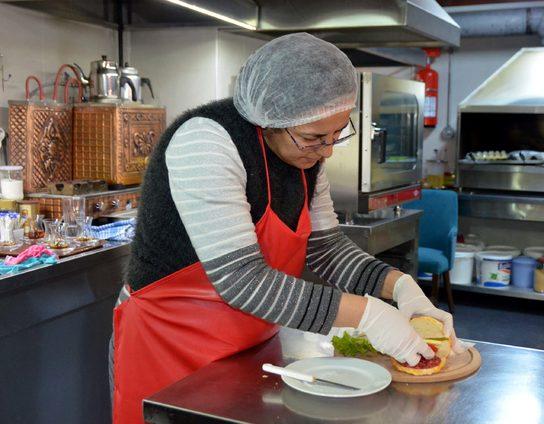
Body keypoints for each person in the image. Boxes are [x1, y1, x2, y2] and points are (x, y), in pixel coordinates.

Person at [110, 32, 468, 423]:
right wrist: (369, 315)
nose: (327, 151)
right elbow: (242, 280)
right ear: (268, 120)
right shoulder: (205, 141)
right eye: (315, 138)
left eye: (336, 134)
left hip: (249, 347)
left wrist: (401, 288)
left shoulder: (305, 157)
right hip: (169, 347)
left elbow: (327, 250)